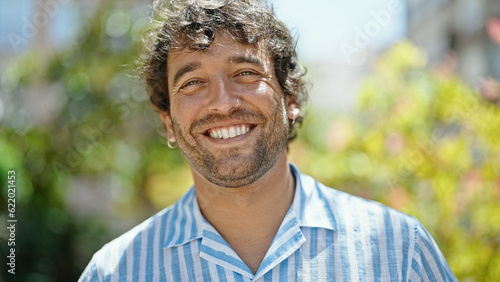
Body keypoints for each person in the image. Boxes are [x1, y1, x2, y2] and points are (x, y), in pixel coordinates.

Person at [79, 0, 457, 281]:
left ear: (289, 98)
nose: (223, 102)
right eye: (193, 83)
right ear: (169, 123)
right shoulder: (115, 272)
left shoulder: (401, 251)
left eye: (245, 73)